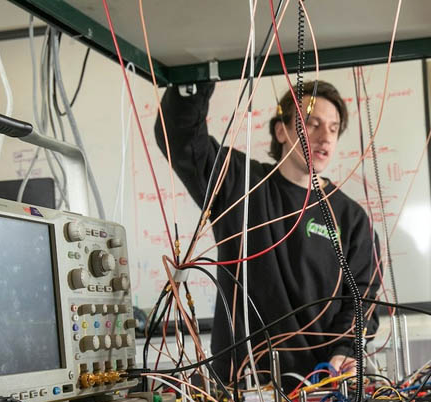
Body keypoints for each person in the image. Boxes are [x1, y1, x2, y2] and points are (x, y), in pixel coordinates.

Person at [154, 80, 380, 385]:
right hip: (242, 388)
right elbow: (180, 140)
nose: (325, 137)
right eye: (312, 125)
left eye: (333, 128)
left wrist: (345, 349)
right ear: (280, 131)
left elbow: (361, 299)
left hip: (320, 389)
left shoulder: (351, 218)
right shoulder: (242, 184)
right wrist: (194, 79)